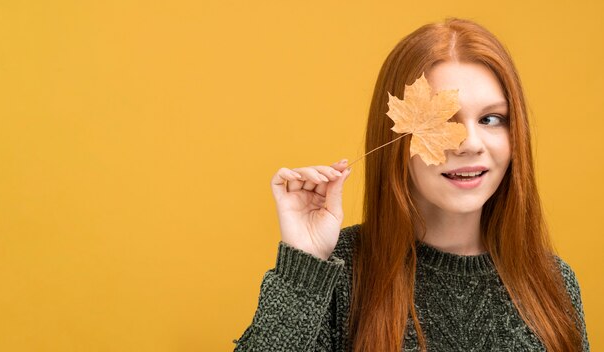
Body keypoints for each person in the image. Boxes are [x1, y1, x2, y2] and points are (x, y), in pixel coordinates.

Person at [232, 17, 590, 351]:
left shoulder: (552, 281)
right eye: (444, 119)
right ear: (397, 136)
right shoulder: (339, 273)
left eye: (491, 119)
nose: (469, 143)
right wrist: (304, 265)